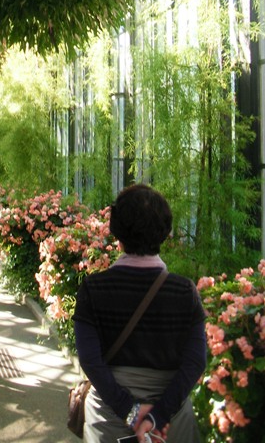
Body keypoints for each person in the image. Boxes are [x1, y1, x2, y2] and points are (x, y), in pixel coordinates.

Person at [73, 184, 206, 443]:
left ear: (117, 232)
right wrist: (156, 416)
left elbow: (90, 361)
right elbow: (195, 363)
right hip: (170, 422)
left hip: (110, 418)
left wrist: (132, 413)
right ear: (165, 232)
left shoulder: (94, 289)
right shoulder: (184, 292)